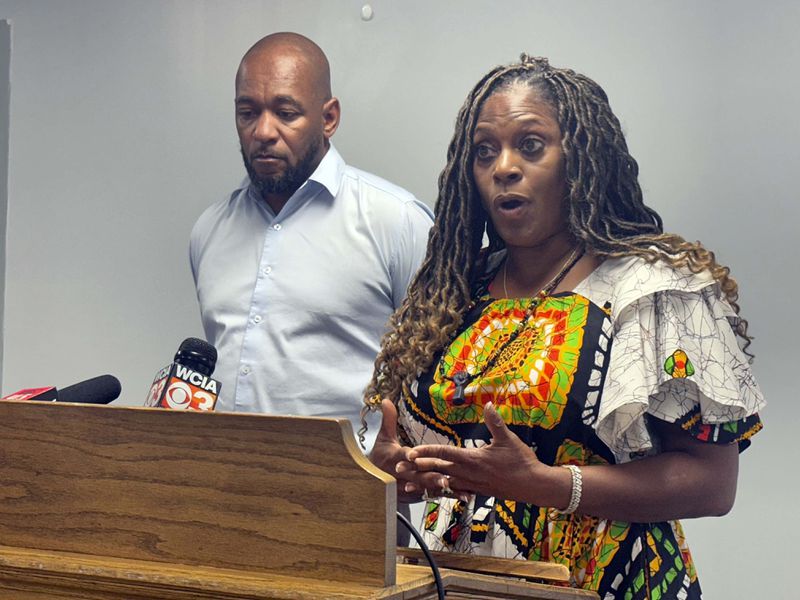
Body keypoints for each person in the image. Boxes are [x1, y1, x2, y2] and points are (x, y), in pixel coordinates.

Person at [362, 55, 764, 598]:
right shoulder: (450, 291)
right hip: (453, 581)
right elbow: (431, 459)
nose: (504, 166)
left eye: (530, 145)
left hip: (604, 581)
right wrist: (391, 478)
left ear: (579, 159)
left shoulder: (650, 291)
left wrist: (545, 486)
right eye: (485, 152)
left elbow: (713, 485)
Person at [190, 32, 432, 444]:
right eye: (247, 113)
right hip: (226, 492)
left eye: (285, 113)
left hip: (352, 496)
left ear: (329, 118)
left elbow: (439, 379)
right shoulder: (209, 230)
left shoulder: (398, 222)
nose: (263, 131)